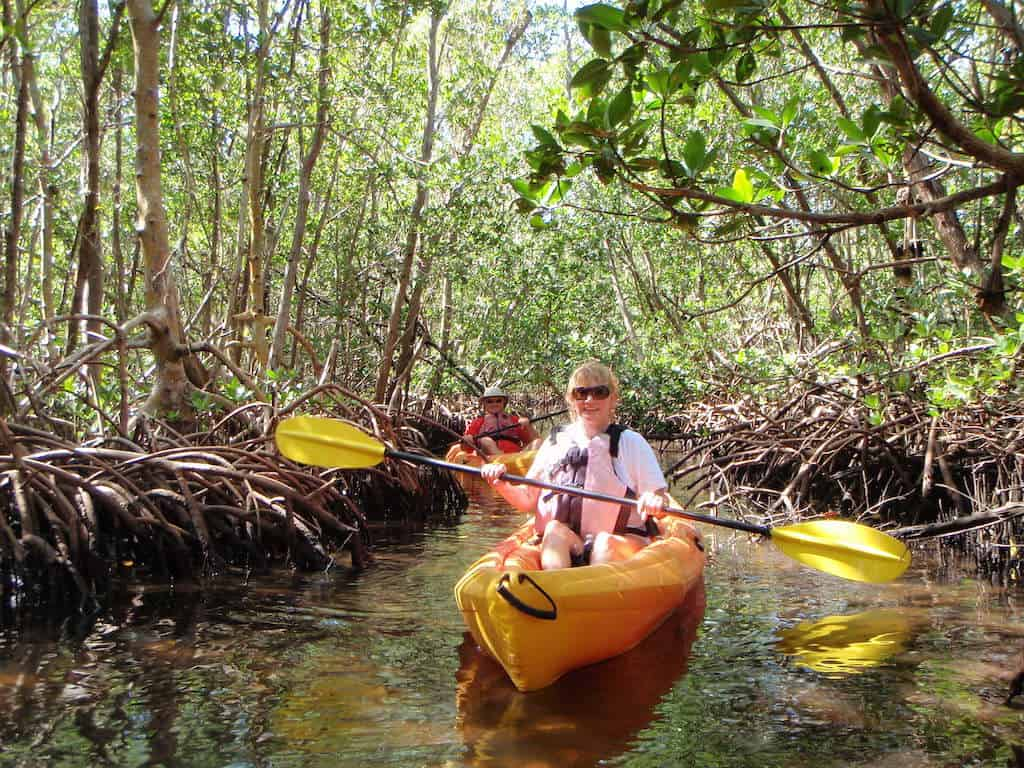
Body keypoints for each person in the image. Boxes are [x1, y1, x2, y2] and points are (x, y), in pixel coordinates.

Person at [480, 360, 669, 570]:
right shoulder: (555, 442)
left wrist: (654, 500)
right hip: (573, 542)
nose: (589, 400)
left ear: (613, 398)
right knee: (553, 531)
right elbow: (527, 500)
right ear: (572, 399)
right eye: (581, 393)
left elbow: (659, 498)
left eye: (600, 392)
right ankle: (557, 590)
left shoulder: (631, 442)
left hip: (619, 541)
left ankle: (593, 595)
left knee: (603, 543)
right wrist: (499, 483)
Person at [463, 386, 541, 457]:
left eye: (498, 401)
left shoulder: (515, 420)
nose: (494, 404)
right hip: (489, 457)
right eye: (490, 401)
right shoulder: (477, 422)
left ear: (504, 402)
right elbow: (466, 449)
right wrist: (467, 440)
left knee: (538, 442)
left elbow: (529, 441)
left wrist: (528, 426)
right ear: (484, 404)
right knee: (485, 441)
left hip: (516, 456)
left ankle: (510, 462)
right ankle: (503, 460)